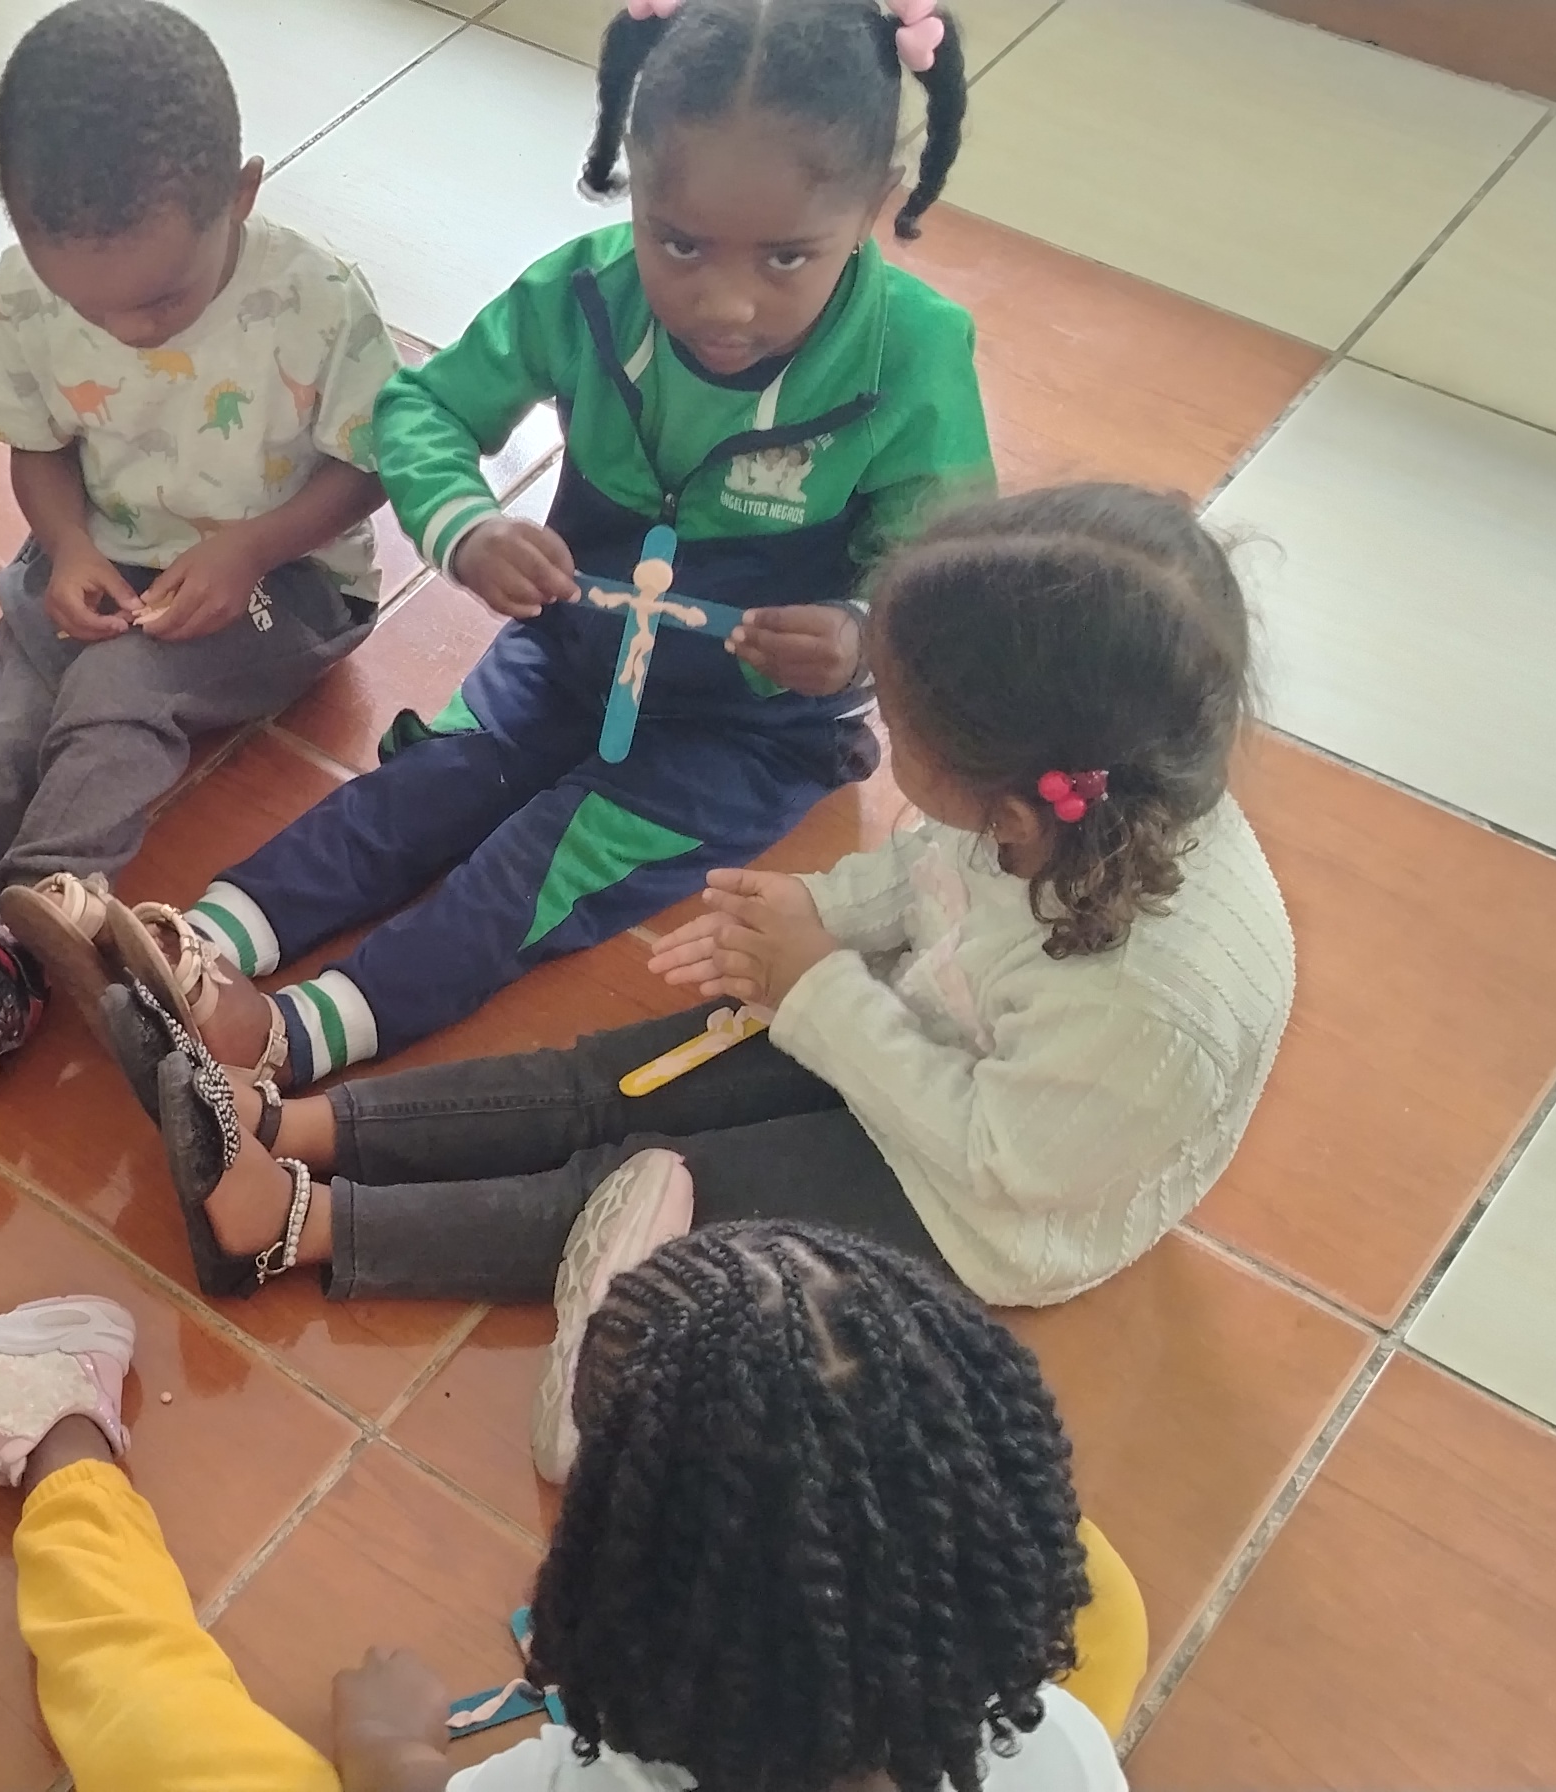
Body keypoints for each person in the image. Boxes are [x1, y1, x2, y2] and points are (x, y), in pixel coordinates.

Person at [130, 484, 1294, 1477]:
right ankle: (298, 1124)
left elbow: (1000, 1158)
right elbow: (928, 867)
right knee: (608, 1079)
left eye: (902, 728)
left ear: (1016, 795)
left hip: (974, 1203)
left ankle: (296, 1225)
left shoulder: (1150, 1002)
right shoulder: (1052, 791)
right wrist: (819, 918)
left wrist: (820, 988)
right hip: (917, 1033)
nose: (887, 741)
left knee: (654, 1181)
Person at [107, 0, 992, 1088]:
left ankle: (294, 1037)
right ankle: (195, 944)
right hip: (566, 654)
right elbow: (424, 409)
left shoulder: (913, 355)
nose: (725, 302)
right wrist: (467, 525)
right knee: (428, 787)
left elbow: (950, 572)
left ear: (875, 207)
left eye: (785, 258)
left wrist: (860, 638)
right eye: (679, 242)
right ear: (635, 181)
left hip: (751, 733)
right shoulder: (584, 292)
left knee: (534, 864)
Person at [0, 1220, 1148, 1791]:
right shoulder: (1067, 1752)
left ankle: (57, 1434)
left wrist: (393, 1758)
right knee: (1113, 1614)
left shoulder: (563, 1779)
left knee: (172, 1736)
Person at [0, 0, 398, 1112]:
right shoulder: (25, 287)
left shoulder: (317, 302)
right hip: (101, 557)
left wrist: (251, 547)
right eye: (86, 306)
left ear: (241, 196)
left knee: (116, 692)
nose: (128, 331)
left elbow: (375, 464)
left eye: (160, 299)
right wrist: (61, 546)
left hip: (289, 582)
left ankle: (18, 954)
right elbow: (40, 449)